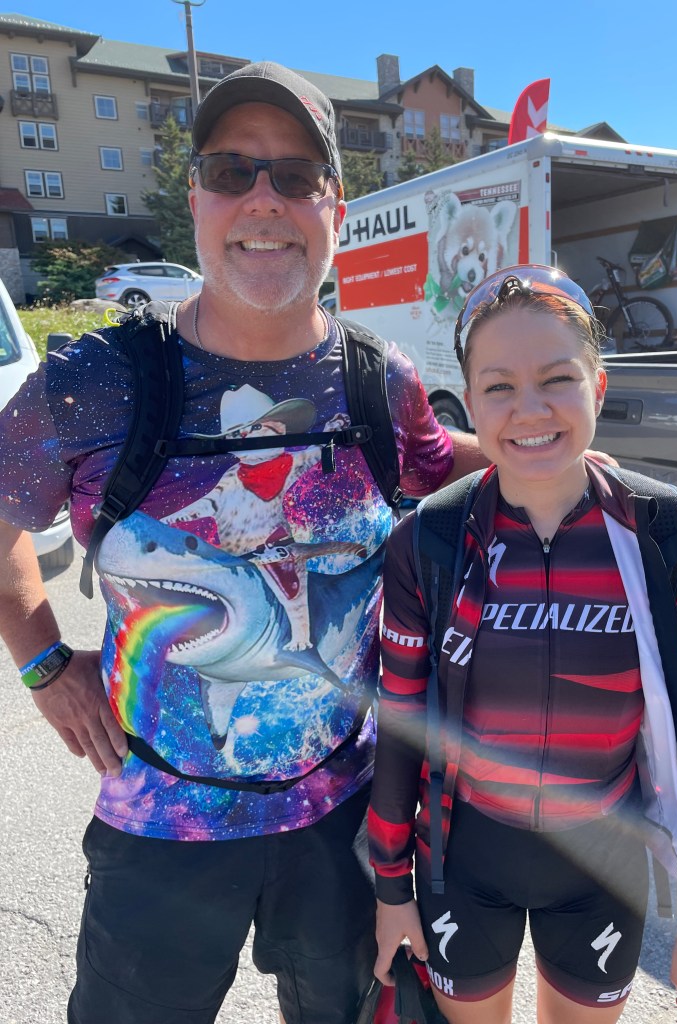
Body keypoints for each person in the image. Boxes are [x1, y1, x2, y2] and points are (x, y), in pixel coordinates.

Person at [0, 62, 488, 1024]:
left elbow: (464, 463)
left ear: (334, 208)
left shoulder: (377, 381)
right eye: (232, 171)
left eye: (296, 176)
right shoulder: (95, 382)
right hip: (160, 822)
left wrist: (573, 453)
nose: (264, 200)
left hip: (349, 817)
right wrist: (44, 662)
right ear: (195, 199)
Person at [369, 265, 677, 1024]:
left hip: (603, 866)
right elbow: (400, 723)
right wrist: (390, 888)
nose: (529, 409)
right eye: (499, 386)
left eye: (558, 379)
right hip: (463, 862)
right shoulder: (429, 540)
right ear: (469, 403)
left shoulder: (670, 533)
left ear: (598, 387)